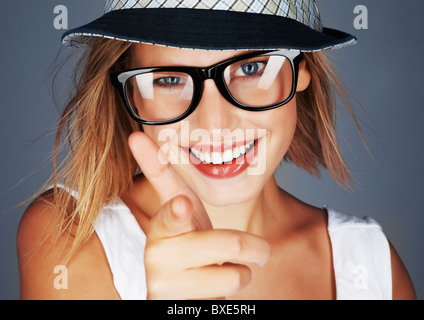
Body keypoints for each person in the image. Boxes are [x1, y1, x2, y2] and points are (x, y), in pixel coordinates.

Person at [17, 0, 416, 300]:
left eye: (250, 69)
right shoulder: (69, 233)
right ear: (129, 95)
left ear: (302, 72)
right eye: (170, 79)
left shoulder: (370, 262)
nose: (216, 125)